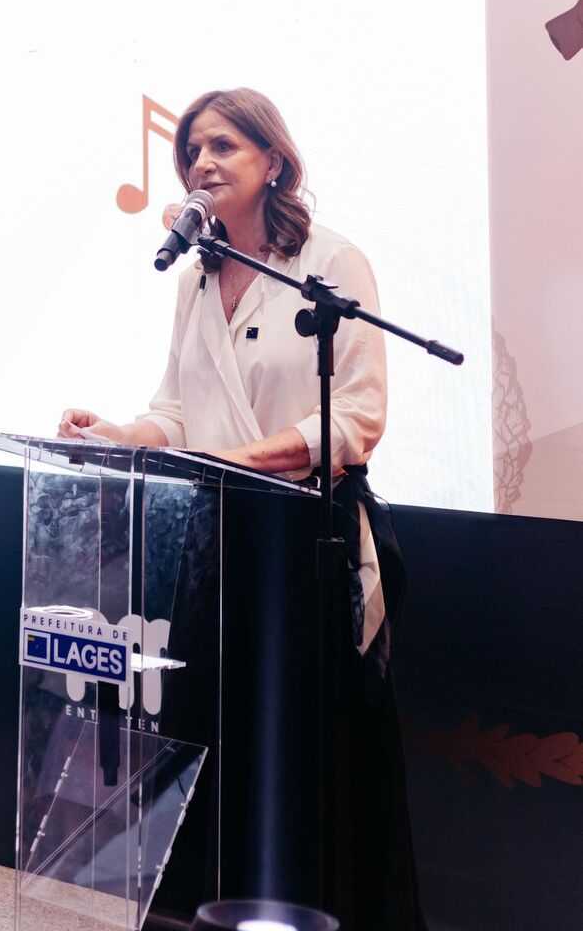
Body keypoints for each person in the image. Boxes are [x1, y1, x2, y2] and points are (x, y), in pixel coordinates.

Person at [59, 87, 427, 930]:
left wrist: (238, 459)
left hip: (308, 546)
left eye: (223, 146)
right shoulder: (197, 277)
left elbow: (357, 417)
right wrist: (119, 434)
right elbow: (177, 411)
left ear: (274, 162)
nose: (202, 163)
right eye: (191, 150)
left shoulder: (332, 264)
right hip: (218, 544)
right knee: (214, 746)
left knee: (303, 755)